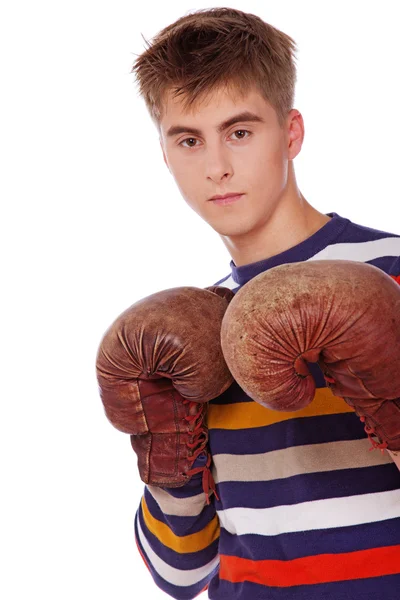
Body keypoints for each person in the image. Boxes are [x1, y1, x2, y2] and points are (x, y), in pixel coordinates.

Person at [127, 7, 400, 599]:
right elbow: (182, 575)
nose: (218, 166)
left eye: (240, 132)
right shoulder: (192, 335)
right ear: (166, 155)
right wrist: (165, 453)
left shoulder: (392, 272)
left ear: (292, 132)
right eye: (190, 140)